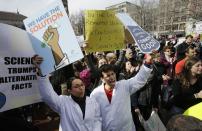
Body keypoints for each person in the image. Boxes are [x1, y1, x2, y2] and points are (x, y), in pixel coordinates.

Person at [32, 55, 102, 131]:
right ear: (69, 90)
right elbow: (48, 96)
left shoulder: (92, 102)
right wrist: (42, 73)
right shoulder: (63, 102)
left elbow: (97, 120)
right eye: (76, 86)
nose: (81, 88)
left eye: (82, 85)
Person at [90, 54, 153, 131]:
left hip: (127, 128)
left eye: (113, 74)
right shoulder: (95, 94)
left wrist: (147, 63)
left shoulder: (124, 85)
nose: (112, 77)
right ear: (102, 79)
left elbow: (139, 80)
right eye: (108, 75)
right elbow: (94, 117)